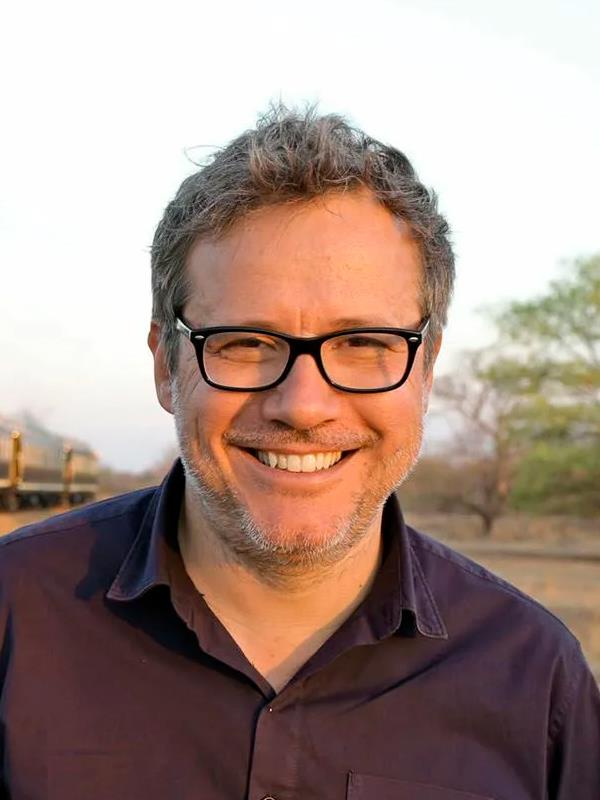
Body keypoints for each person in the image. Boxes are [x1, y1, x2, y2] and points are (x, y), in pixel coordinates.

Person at [1, 107, 599, 799]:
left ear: (426, 369)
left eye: (364, 343)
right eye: (246, 342)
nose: (304, 405)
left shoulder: (537, 684)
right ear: (166, 366)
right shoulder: (13, 619)